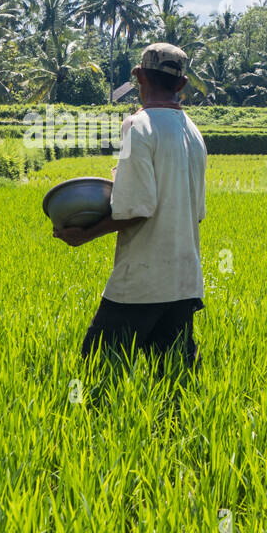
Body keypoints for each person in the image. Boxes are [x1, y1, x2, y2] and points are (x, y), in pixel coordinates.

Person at [53, 43, 208, 369]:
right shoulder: (195, 133)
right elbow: (197, 213)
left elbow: (136, 208)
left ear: (138, 76)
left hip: (141, 283)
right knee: (175, 387)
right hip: (184, 282)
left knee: (95, 375)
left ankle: (83, 421)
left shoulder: (137, 126)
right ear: (181, 85)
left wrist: (85, 233)